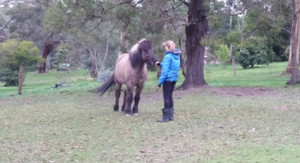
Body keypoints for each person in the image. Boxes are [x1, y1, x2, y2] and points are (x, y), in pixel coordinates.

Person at [156, 40, 181, 122]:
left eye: (165, 47)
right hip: (174, 79)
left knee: (166, 97)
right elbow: (171, 65)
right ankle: (170, 116)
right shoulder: (176, 56)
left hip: (167, 79)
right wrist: (160, 64)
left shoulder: (167, 57)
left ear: (168, 47)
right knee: (170, 96)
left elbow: (165, 72)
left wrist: (160, 83)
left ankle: (165, 117)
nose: (165, 48)